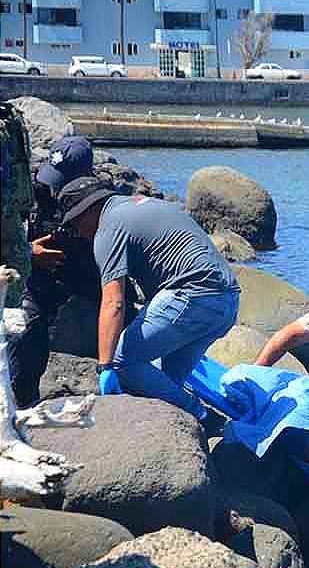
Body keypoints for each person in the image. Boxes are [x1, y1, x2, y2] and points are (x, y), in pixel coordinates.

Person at [57, 177, 240, 421]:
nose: (78, 233)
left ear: (88, 210)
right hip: (227, 301)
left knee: (123, 361)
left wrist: (105, 365)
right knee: (164, 384)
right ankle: (187, 426)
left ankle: (202, 415)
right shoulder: (142, 204)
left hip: (193, 296)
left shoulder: (108, 228)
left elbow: (114, 302)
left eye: (75, 224)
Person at [8, 136, 112, 407]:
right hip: (41, 282)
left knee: (121, 325)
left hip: (92, 281)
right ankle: (23, 402)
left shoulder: (103, 200)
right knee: (25, 331)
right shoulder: (30, 190)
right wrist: (28, 252)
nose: (53, 187)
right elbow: (6, 237)